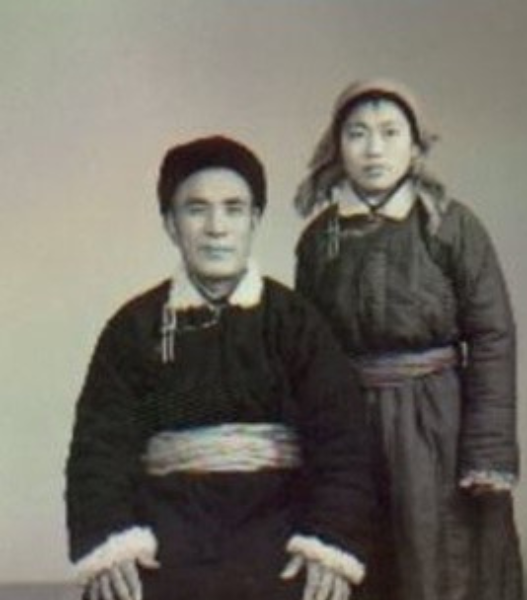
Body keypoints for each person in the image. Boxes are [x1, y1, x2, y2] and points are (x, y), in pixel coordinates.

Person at [65, 135, 374, 600]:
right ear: (171, 223)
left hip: (280, 526)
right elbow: (99, 450)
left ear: (254, 220)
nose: (216, 227)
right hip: (165, 532)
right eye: (196, 209)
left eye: (233, 209)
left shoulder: (295, 322)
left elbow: (344, 441)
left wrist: (328, 539)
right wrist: (113, 542)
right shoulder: (134, 328)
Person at [293, 79, 523, 600]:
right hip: (350, 425)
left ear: (416, 147)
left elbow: (492, 336)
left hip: (437, 425)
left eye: (390, 133)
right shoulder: (320, 240)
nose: (374, 149)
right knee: (359, 559)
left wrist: (487, 451)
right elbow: (307, 353)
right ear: (337, 148)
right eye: (358, 134)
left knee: (440, 560)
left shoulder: (451, 227)